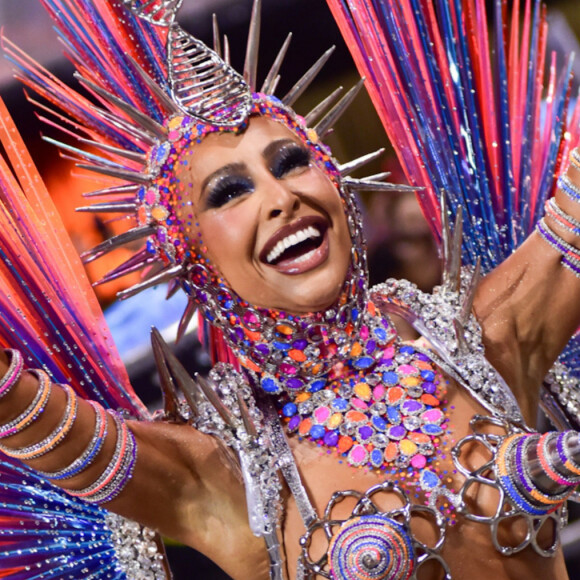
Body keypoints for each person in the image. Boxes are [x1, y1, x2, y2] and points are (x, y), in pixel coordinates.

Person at [0, 0, 580, 579]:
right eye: (228, 193)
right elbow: (36, 419)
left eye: (292, 162)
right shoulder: (230, 471)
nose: (280, 198)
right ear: (191, 256)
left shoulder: (480, 343)